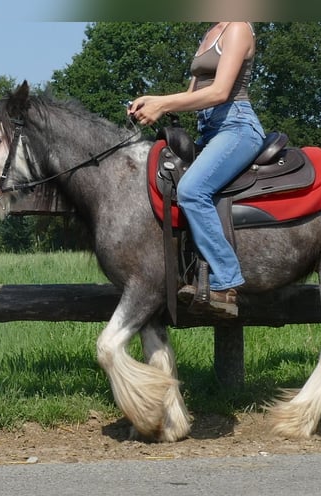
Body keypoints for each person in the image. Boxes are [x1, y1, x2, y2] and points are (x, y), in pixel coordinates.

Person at [128, 22, 265, 316]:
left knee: (192, 189)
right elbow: (192, 95)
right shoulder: (211, 33)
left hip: (237, 126)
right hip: (209, 130)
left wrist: (162, 104)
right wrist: (153, 101)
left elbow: (219, 92)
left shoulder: (239, 27)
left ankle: (226, 280)